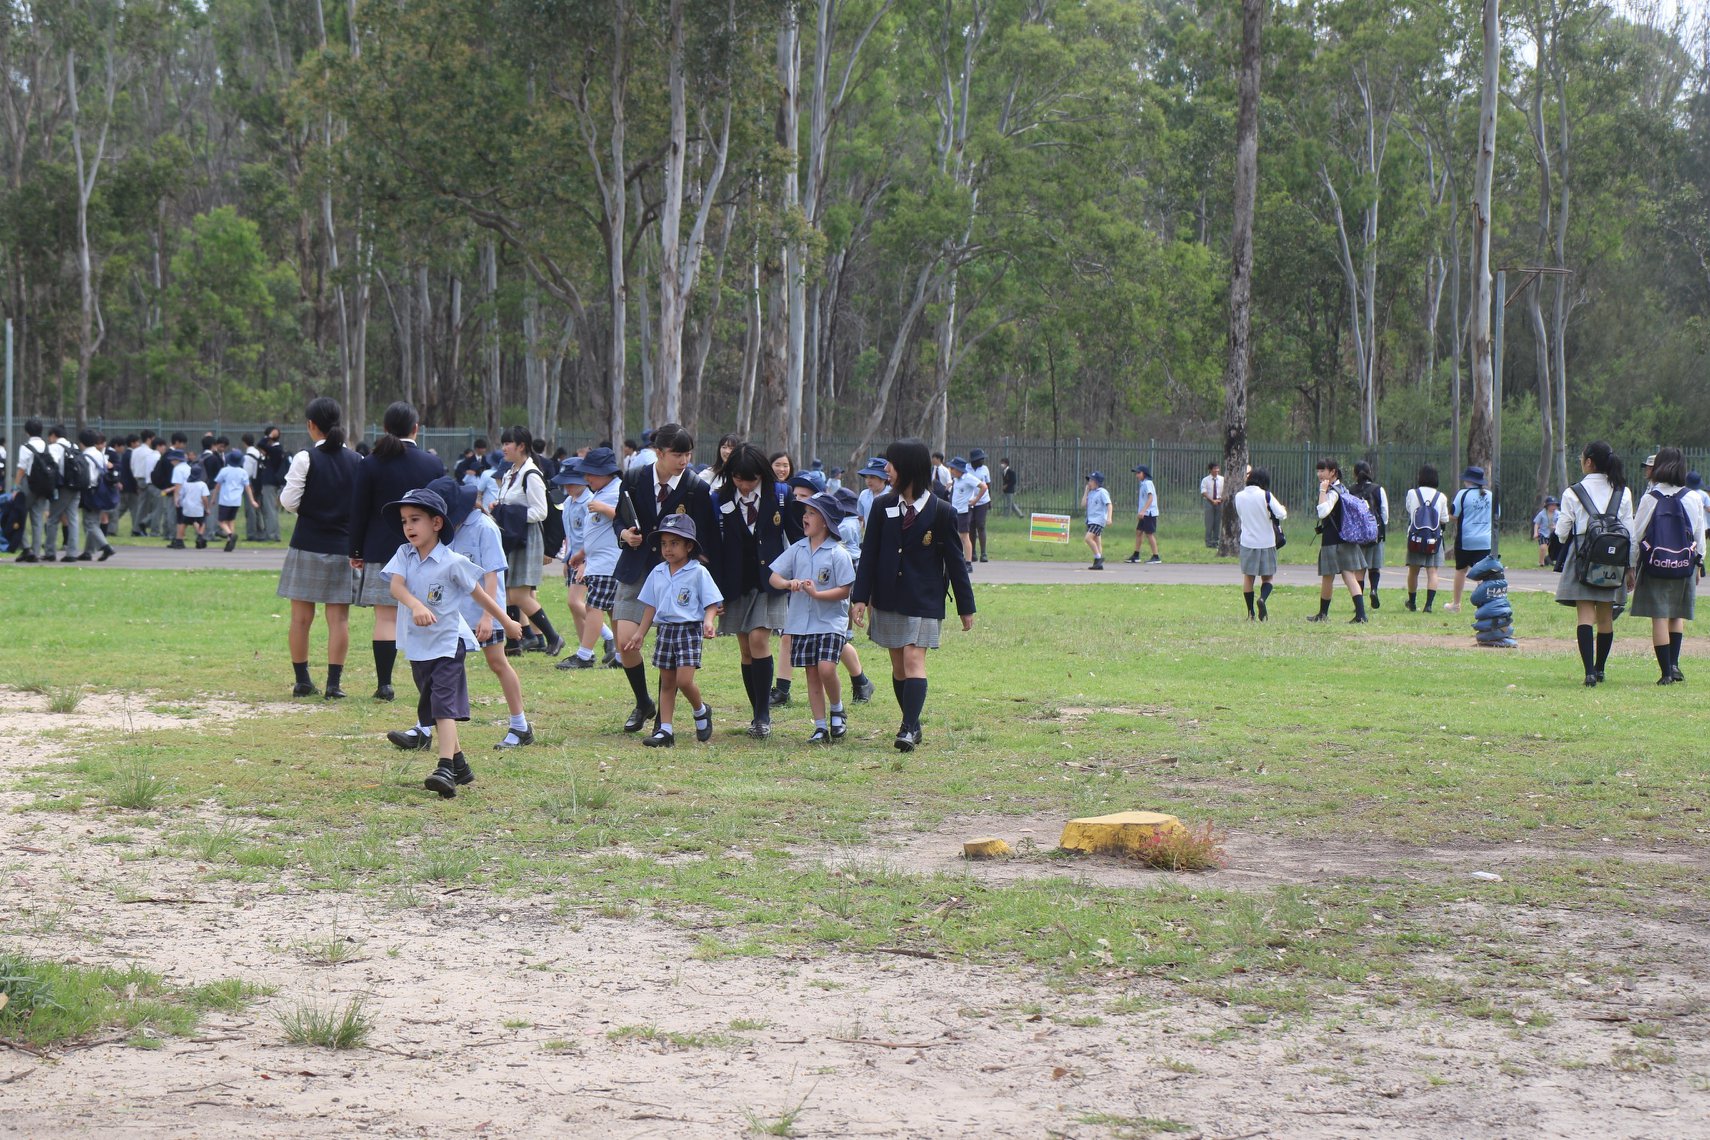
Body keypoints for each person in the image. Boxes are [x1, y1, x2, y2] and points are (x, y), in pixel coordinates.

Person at [381, 487, 523, 797]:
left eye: (415, 520)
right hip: (419, 645)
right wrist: (416, 606)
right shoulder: (404, 554)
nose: (408, 527)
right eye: (404, 521)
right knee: (433, 705)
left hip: (448, 643)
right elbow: (396, 587)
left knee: (443, 707)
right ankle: (459, 764)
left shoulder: (452, 561)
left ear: (436, 523)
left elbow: (480, 593)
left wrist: (506, 620)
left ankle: (444, 768)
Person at [850, 437, 976, 752]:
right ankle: (913, 723)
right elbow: (869, 555)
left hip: (925, 597)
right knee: (898, 666)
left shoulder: (942, 511)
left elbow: (955, 562)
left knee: (913, 657)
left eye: (891, 464)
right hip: (889, 595)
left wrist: (965, 606)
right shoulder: (882, 506)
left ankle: (906, 729)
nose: (886, 470)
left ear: (908, 469)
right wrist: (860, 598)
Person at [614, 424, 721, 734]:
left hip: (678, 572)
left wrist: (709, 587)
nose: (685, 460)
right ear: (659, 453)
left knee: (670, 648)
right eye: (678, 454)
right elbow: (621, 516)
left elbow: (707, 536)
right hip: (636, 567)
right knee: (625, 643)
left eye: (688, 453)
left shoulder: (696, 487)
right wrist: (624, 534)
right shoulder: (634, 476)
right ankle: (643, 701)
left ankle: (665, 720)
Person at [349, 401, 447, 701]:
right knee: (429, 615)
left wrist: (355, 549)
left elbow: (359, 510)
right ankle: (431, 682)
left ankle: (384, 684)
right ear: (416, 429)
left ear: (385, 428)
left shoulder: (370, 463)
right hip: (425, 550)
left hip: (381, 550)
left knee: (386, 618)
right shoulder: (432, 464)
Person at [711, 443, 801, 738]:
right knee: (746, 648)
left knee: (759, 638)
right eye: (738, 479)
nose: (745, 486)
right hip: (735, 582)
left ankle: (764, 716)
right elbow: (713, 547)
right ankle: (756, 713)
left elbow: (796, 535)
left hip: (771, 580)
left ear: (762, 474)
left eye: (750, 479)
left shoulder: (781, 495)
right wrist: (714, 593)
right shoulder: (719, 498)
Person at [278, 396, 360, 698]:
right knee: (338, 619)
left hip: (306, 544)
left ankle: (302, 681)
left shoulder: (304, 458)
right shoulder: (357, 460)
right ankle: (334, 685)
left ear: (312, 426)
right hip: (342, 546)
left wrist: (309, 512)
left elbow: (288, 501)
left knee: (301, 618)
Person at [623, 514, 722, 748]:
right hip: (665, 631)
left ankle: (700, 710)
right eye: (664, 544)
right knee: (667, 682)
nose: (668, 549)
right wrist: (640, 633)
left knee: (684, 681)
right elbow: (650, 606)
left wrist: (709, 622)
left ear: (689, 546)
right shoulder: (658, 571)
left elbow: (711, 604)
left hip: (688, 631)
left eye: (674, 543)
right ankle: (665, 731)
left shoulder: (698, 572)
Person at [770, 492, 856, 743]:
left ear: (826, 521)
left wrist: (817, 594)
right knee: (811, 674)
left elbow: (845, 589)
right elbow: (773, 576)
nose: (804, 517)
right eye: (805, 513)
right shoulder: (797, 549)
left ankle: (837, 708)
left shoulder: (838, 554)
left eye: (811, 513)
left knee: (826, 668)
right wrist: (788, 583)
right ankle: (820, 726)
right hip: (801, 624)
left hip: (830, 623)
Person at [1554, 441, 1636, 686]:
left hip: (1583, 556)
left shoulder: (1573, 492)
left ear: (1589, 461)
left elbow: (1561, 532)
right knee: (1605, 617)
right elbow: (1629, 533)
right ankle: (1600, 669)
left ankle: (1589, 672)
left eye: (1582, 458)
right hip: (1614, 560)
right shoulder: (1623, 491)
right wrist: (1630, 568)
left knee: (1585, 615)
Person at [1627, 448, 1702, 685]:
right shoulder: (1693, 497)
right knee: (1676, 613)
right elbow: (1699, 536)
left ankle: (1665, 674)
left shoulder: (1650, 498)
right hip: (1684, 563)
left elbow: (1636, 535)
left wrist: (1631, 566)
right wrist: (1699, 563)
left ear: (1658, 467)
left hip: (1655, 563)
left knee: (1659, 616)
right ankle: (1674, 665)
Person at [491, 425, 564, 657]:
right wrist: (500, 509)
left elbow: (540, 512)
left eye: (507, 443)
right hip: (514, 536)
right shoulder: (513, 471)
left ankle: (551, 637)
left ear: (521, 446)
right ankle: (521, 640)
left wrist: (510, 513)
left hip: (526, 538)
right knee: (513, 592)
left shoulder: (531, 474)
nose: (503, 448)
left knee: (518, 594)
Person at [560, 446, 625, 669]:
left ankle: (585, 655)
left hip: (608, 563)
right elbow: (597, 531)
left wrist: (605, 508)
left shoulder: (616, 492)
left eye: (591, 473)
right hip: (598, 560)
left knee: (593, 607)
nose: (586, 478)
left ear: (607, 473)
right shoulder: (602, 492)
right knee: (612, 610)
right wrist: (582, 553)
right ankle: (620, 657)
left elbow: (627, 519)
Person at [1308, 457, 1369, 624]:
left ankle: (1327, 614)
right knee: (1344, 575)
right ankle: (1359, 614)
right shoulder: (1343, 489)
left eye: (1323, 470)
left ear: (1332, 472)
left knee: (1334, 576)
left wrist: (1322, 491)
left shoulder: (1333, 491)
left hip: (1333, 540)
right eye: (1318, 470)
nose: (1319, 474)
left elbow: (1323, 512)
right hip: (1345, 538)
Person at [1233, 468, 1286, 620]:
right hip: (1267, 542)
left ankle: (1250, 613)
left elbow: (1240, 514)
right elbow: (1281, 514)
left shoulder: (1239, 496)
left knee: (1248, 578)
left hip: (1248, 542)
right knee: (1267, 578)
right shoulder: (1266, 495)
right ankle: (1262, 598)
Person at [1446, 466, 1494, 614]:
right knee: (1482, 573)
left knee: (1461, 570)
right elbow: (1496, 514)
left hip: (1466, 539)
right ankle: (1485, 604)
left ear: (1468, 480)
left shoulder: (1463, 494)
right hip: (1485, 539)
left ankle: (1456, 604)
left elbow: (1454, 515)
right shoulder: (1490, 495)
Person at [1403, 466, 1449, 613]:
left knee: (1413, 571)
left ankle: (1412, 602)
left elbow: (1410, 510)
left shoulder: (1412, 493)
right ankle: (1428, 605)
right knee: (1432, 572)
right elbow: (1444, 519)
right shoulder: (1441, 497)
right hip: (1433, 540)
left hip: (1415, 538)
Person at [1350, 461, 1389, 607]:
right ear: (1369, 472)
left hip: (1357, 535)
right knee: (1374, 566)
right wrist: (1380, 527)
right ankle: (1373, 589)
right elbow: (1384, 513)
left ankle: (1359, 602)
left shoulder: (1351, 490)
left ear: (1355, 474)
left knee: (1359, 569)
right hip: (1375, 534)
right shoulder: (1378, 489)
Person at [75, 429, 116, 562]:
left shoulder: (85, 456)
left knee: (89, 523)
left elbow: (89, 477)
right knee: (93, 521)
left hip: (90, 491)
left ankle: (106, 547)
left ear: (81, 443)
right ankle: (88, 552)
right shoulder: (99, 454)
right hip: (101, 491)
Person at [213, 450, 259, 552]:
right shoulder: (243, 472)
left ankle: (230, 535)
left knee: (221, 521)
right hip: (236, 501)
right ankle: (230, 542)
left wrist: (213, 498)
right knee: (231, 521)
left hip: (225, 500)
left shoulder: (224, 471)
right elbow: (247, 487)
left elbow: (217, 486)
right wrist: (252, 500)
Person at [949, 456, 980, 569]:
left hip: (964, 511)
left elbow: (983, 486)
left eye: (953, 469)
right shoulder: (956, 479)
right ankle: (959, 558)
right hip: (955, 510)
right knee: (955, 535)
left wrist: (975, 500)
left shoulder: (968, 478)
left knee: (964, 536)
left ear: (959, 469)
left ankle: (968, 563)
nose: (951, 471)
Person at [1125, 465, 1160, 564]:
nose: (1137, 475)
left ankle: (1156, 556)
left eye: (1138, 473)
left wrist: (1143, 511)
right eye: (1136, 473)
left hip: (1149, 513)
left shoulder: (1148, 483)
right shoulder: (1143, 483)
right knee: (1139, 532)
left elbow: (1151, 498)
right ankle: (1136, 555)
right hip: (1145, 513)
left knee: (1149, 534)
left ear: (1144, 473)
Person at [175, 456, 211, 550]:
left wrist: (178, 501)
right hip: (198, 508)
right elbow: (204, 498)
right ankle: (200, 537)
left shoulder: (186, 483)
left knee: (184, 523)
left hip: (187, 508)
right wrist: (207, 508)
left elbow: (181, 494)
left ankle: (179, 540)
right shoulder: (202, 485)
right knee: (202, 523)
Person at [132, 429, 161, 537]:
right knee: (148, 506)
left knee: (142, 505)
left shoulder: (135, 451)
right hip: (147, 480)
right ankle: (139, 528)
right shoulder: (150, 452)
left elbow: (132, 466)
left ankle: (138, 527)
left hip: (138, 478)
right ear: (149, 439)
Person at [1082, 471, 1112, 570]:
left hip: (1098, 520)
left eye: (1091, 480)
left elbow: (1109, 505)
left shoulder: (1102, 492)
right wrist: (1086, 491)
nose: (1089, 482)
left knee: (1088, 538)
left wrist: (1109, 517)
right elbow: (1083, 505)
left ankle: (1098, 558)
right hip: (1090, 520)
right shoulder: (1091, 493)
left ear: (1097, 482)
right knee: (1097, 541)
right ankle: (1098, 564)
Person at [968, 448, 993, 563]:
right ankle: (972, 552)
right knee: (971, 526)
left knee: (981, 525)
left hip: (982, 500)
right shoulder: (966, 468)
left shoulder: (985, 469)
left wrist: (990, 500)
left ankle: (984, 553)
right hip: (970, 501)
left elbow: (988, 485)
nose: (982, 460)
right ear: (974, 460)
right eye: (980, 459)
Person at [855, 457, 888, 536]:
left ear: (883, 478)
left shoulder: (892, 495)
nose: (868, 481)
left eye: (872, 477)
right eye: (866, 477)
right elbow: (860, 518)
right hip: (869, 537)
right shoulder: (864, 494)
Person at [1200, 461, 1225, 549]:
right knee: (1209, 523)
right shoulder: (1205, 480)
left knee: (1218, 523)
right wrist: (1212, 500)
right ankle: (1208, 542)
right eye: (1214, 468)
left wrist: (1220, 499)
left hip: (1219, 502)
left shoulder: (1222, 479)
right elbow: (1203, 492)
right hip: (1209, 502)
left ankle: (1216, 542)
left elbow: (1225, 490)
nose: (1216, 470)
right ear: (1210, 470)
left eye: (1217, 468)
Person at [1534, 496, 1561, 567]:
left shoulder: (1558, 514)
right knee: (1543, 547)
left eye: (1555, 505)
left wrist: (1556, 527)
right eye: (1551, 505)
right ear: (1547, 506)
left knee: (1552, 549)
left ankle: (1551, 560)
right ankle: (1541, 562)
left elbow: (1561, 522)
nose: (1553, 507)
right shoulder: (1541, 514)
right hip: (1543, 533)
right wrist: (1535, 533)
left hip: (1553, 534)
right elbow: (1537, 523)